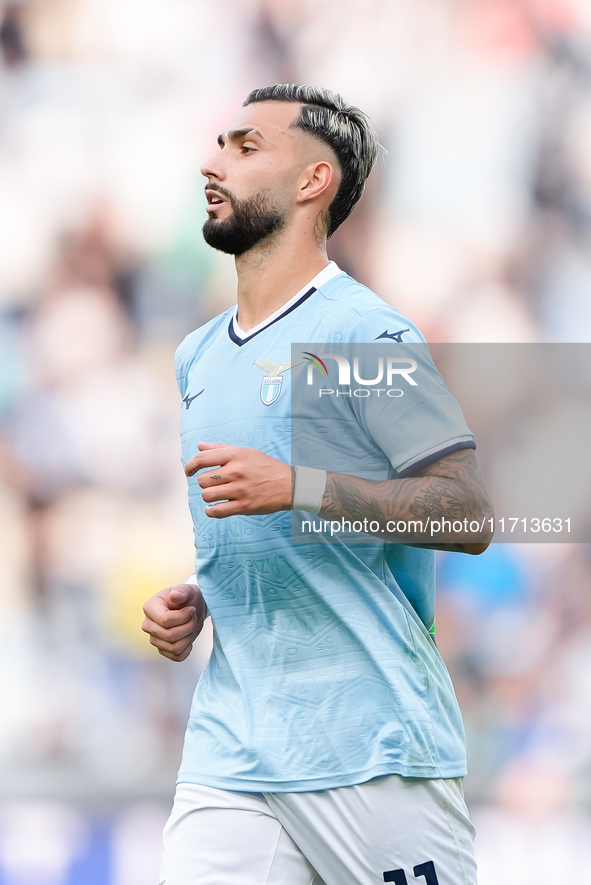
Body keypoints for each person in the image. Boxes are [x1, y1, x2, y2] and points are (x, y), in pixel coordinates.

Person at [142, 84, 493, 885]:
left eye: (243, 146)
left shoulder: (364, 334)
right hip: (234, 751)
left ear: (313, 182)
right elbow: (265, 525)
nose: (212, 162)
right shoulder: (198, 354)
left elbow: (466, 510)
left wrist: (301, 485)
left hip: (371, 749)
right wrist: (201, 597)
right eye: (218, 145)